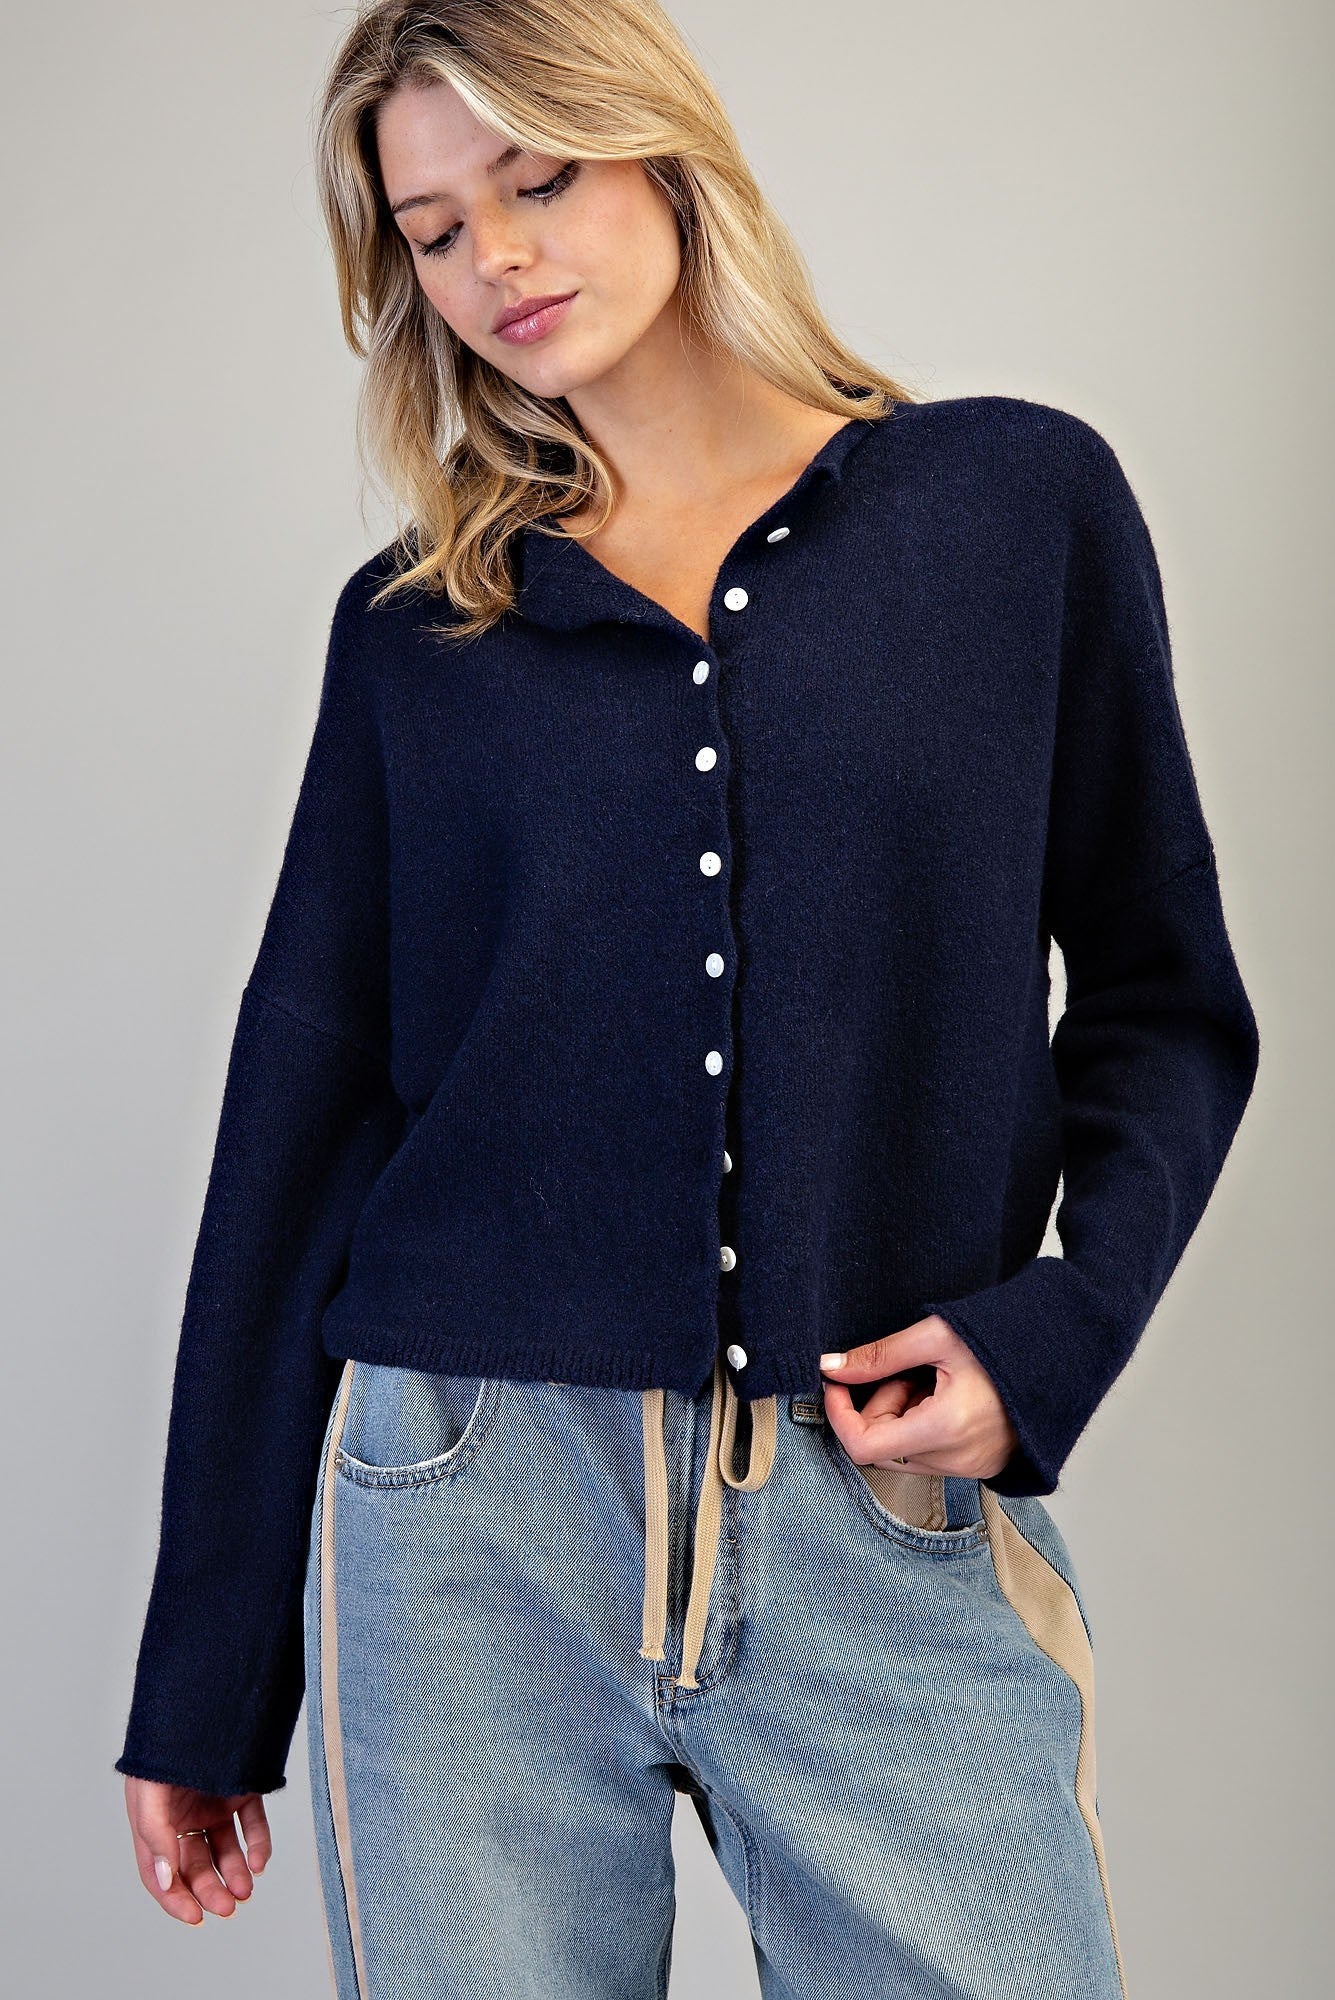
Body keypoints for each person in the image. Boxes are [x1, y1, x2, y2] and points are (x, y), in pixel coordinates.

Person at [115, 3, 1260, 1994]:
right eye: (433, 230)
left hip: (882, 1491)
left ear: (656, 147)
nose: (496, 258)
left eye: (534, 179)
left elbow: (1165, 1000)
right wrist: (206, 1680)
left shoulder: (1011, 511)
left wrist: (1054, 1332)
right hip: (461, 1518)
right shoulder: (420, 633)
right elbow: (303, 1123)